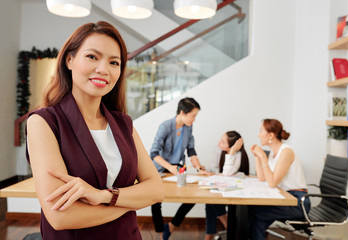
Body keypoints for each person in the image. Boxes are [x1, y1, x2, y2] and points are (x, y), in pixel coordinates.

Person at [26, 21, 164, 240]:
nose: (103, 69)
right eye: (92, 56)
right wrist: (129, 203)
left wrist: (103, 196)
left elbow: (156, 189)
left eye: (114, 62)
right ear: (69, 60)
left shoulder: (123, 123)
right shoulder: (45, 122)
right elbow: (60, 217)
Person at [150, 97, 211, 240]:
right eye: (193, 116)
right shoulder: (165, 126)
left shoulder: (188, 128)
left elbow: (191, 150)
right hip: (162, 168)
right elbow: (154, 153)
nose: (194, 119)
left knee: (191, 197)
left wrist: (198, 168)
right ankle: (161, 233)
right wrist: (169, 167)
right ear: (182, 113)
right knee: (156, 200)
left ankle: (171, 226)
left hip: (178, 168)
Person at [249, 119, 310, 239]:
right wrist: (257, 157)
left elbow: (272, 182)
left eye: (261, 131)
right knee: (257, 221)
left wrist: (263, 156)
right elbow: (262, 178)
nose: (258, 134)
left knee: (253, 211)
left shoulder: (286, 152)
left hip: (297, 202)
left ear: (270, 135)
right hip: (284, 198)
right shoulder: (273, 153)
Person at [205, 131, 249, 240]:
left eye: (223, 142)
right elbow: (216, 168)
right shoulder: (222, 151)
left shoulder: (236, 155)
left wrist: (232, 151)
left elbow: (227, 173)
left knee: (211, 200)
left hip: (236, 192)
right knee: (209, 201)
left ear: (232, 146)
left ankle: (227, 226)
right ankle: (211, 233)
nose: (219, 142)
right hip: (227, 186)